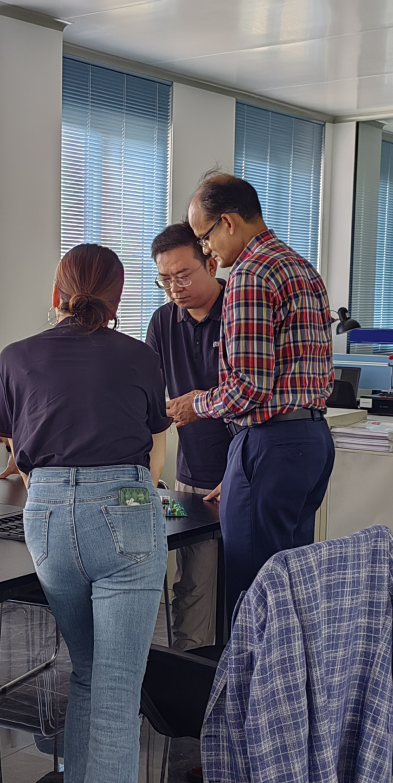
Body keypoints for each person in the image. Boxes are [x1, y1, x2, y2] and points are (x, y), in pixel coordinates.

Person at [0, 244, 170, 783]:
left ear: (56, 292)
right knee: (117, 692)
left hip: (45, 518)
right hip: (123, 509)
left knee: (88, 674)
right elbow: (153, 443)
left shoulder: (17, 356)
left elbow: (16, 450)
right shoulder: (140, 356)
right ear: (117, 298)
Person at [168, 172, 334, 617]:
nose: (207, 250)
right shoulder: (302, 267)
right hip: (313, 441)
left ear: (228, 222)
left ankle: (251, 667)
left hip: (269, 443)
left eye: (205, 237)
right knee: (291, 585)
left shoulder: (249, 275)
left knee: (253, 589)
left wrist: (196, 403)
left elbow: (247, 388)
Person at [145, 222, 232, 650]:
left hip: (246, 471)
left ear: (210, 263)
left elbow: (254, 398)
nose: (173, 288)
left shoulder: (241, 311)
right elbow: (148, 403)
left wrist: (239, 474)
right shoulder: (163, 321)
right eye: (164, 279)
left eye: (182, 276)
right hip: (192, 477)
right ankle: (193, 677)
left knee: (247, 587)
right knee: (194, 585)